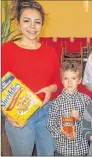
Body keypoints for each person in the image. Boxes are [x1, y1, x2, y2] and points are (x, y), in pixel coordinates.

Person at [1, 0, 61, 155]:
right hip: (20, 115)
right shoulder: (6, 50)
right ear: (19, 23)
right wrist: (8, 114)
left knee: (48, 154)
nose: (32, 27)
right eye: (27, 21)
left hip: (47, 113)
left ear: (42, 25)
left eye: (37, 22)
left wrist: (50, 89)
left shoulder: (50, 52)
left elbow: (58, 84)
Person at [47, 61, 91, 156]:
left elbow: (91, 123)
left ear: (79, 80)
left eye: (73, 78)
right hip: (63, 150)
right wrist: (63, 132)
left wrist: (80, 118)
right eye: (66, 78)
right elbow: (50, 124)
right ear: (62, 80)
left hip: (81, 149)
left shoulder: (86, 100)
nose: (69, 82)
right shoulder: (57, 102)